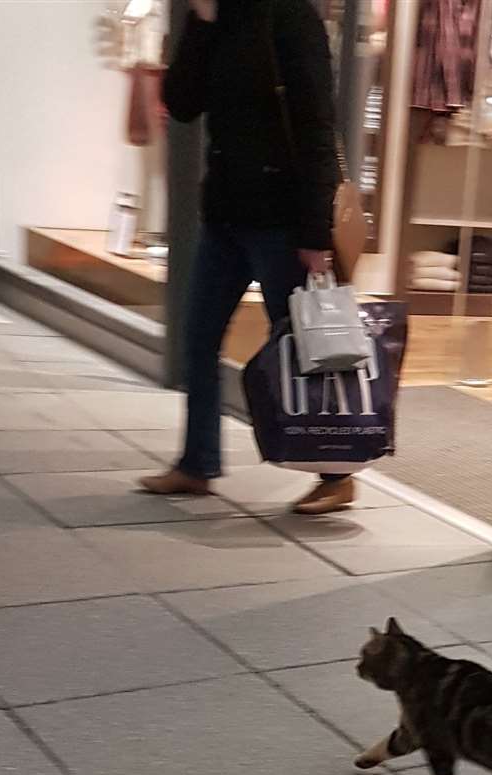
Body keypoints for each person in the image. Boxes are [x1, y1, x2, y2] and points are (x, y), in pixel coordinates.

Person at [139, 0, 355, 515]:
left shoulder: (291, 18)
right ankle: (197, 464)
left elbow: (317, 128)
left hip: (281, 223)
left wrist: (315, 232)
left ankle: (338, 474)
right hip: (225, 218)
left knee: (307, 348)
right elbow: (182, 102)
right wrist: (202, 25)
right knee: (197, 342)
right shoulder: (217, 21)